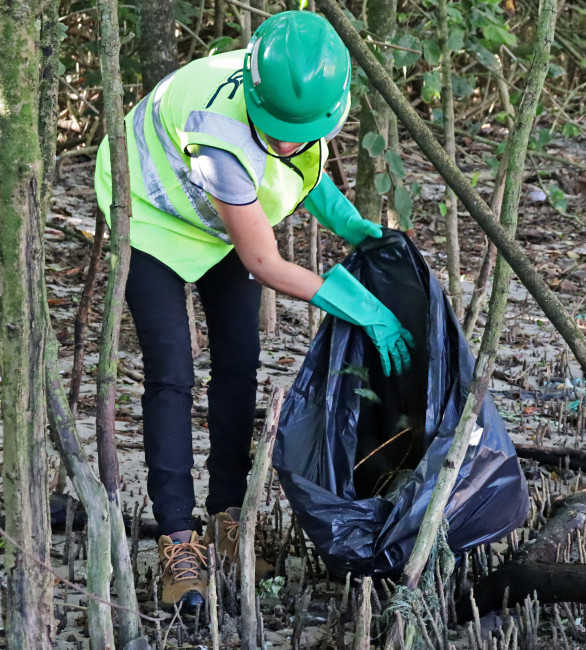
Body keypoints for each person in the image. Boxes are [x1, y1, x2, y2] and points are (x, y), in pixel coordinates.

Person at [94, 10, 414, 610]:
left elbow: (297, 167)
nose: (288, 140)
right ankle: (177, 540)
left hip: (219, 221)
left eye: (302, 129)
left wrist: (348, 223)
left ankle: (227, 517)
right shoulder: (221, 131)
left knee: (239, 362)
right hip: (150, 211)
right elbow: (265, 264)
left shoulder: (298, 96)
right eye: (278, 127)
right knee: (172, 372)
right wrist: (359, 305)